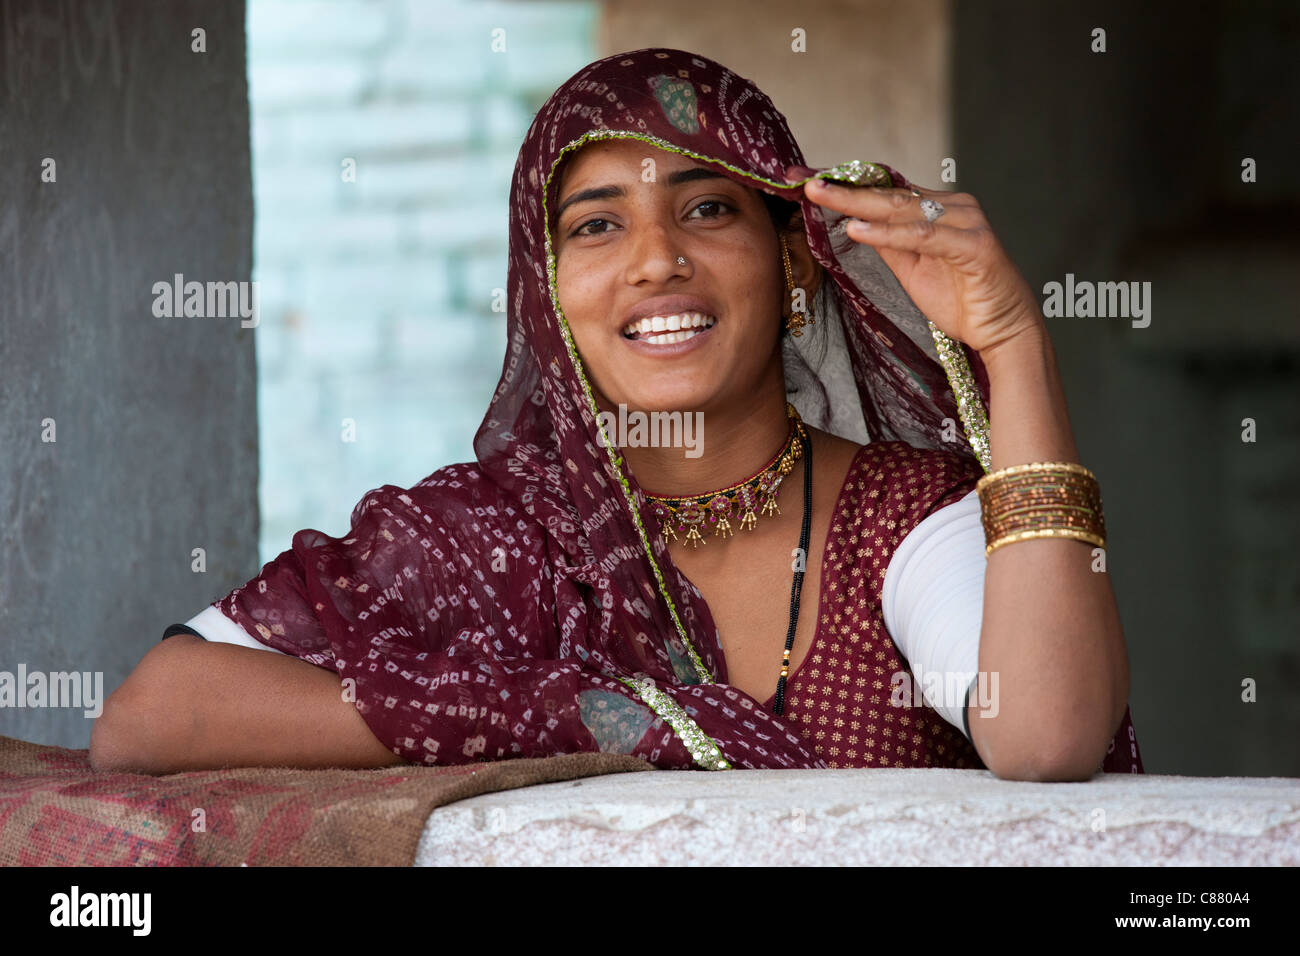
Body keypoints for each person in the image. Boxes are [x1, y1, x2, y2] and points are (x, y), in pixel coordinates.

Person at [91, 47, 1143, 779]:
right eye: (596, 225)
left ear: (794, 265)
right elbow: (154, 713)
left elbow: (1047, 736)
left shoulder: (901, 520)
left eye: (706, 207)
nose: (655, 260)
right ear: (547, 297)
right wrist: (596, 717)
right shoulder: (489, 539)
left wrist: (1012, 342)